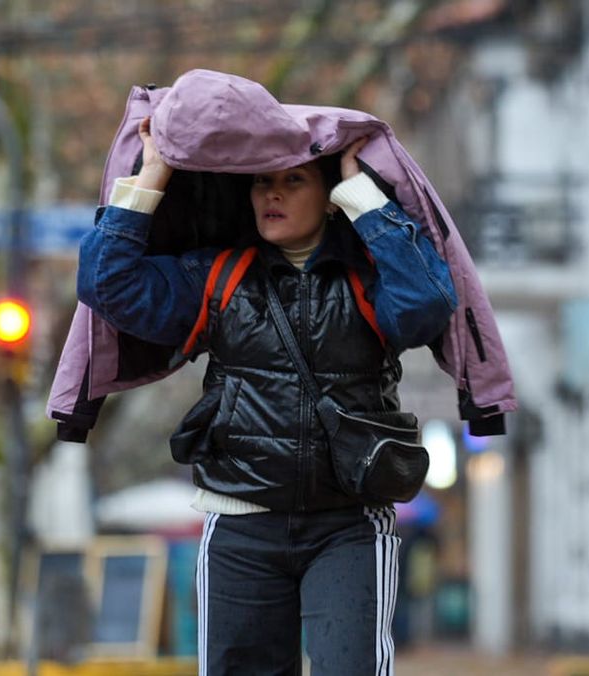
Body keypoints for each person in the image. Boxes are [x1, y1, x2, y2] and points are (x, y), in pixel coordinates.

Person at [77, 114, 458, 675]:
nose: (272, 194)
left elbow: (427, 306)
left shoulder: (367, 278)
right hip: (240, 524)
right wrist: (152, 175)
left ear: (329, 197)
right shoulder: (218, 276)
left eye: (294, 180)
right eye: (262, 182)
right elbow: (105, 284)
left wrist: (363, 197)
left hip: (348, 524)